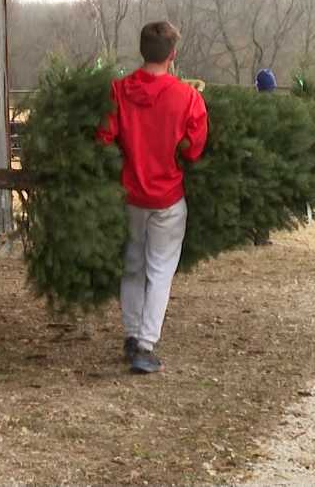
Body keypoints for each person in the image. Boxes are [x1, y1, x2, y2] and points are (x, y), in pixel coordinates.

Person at [97, 21, 208, 374]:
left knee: (132, 265)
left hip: (130, 195)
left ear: (142, 50)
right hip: (168, 196)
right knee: (160, 270)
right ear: (172, 55)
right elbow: (194, 150)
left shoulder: (117, 91)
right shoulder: (187, 97)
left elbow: (104, 137)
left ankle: (131, 334)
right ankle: (145, 345)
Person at [252, 68, 278, 246]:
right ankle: (262, 235)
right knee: (265, 197)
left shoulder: (253, 105)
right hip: (270, 157)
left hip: (255, 155)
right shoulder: (275, 107)